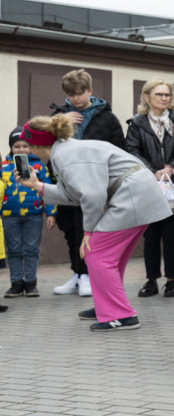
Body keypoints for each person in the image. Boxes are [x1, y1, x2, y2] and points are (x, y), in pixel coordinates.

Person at [17, 114, 172, 331]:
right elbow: (73, 194)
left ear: (36, 145)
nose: (25, 150)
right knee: (108, 257)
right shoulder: (66, 151)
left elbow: (92, 196)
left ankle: (121, 315)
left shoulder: (66, 156)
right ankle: (106, 307)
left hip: (132, 197)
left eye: (27, 145)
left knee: (96, 253)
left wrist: (88, 232)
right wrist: (35, 185)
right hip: (138, 195)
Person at [50, 68, 126, 297]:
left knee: (89, 230)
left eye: (79, 93)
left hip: (95, 184)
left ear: (90, 91)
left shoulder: (107, 117)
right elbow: (44, 142)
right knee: (70, 229)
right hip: (67, 183)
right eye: (70, 94)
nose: (75, 98)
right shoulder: (60, 114)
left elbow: (119, 148)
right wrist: (60, 122)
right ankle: (77, 274)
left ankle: (88, 275)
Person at [125, 79, 174, 299]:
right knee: (151, 236)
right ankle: (151, 280)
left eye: (167, 95)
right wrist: (152, 171)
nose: (164, 98)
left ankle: (171, 281)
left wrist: (172, 167)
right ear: (146, 96)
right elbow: (131, 150)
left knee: (172, 236)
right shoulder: (137, 123)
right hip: (149, 185)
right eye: (159, 94)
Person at [3, 129, 57, 297]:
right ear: (11, 148)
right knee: (13, 249)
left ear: (32, 147)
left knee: (32, 249)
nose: (21, 150)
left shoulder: (39, 166)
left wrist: (51, 213)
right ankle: (16, 283)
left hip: (34, 215)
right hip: (9, 215)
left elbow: (49, 190)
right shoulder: (4, 167)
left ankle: (31, 282)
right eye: (16, 146)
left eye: (25, 146)